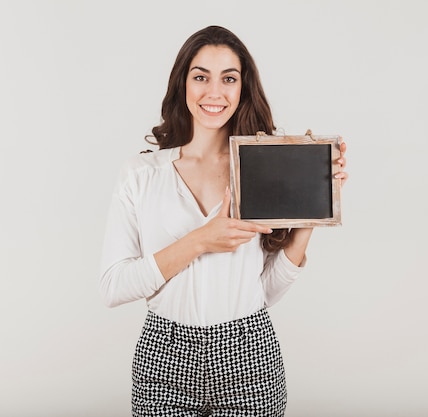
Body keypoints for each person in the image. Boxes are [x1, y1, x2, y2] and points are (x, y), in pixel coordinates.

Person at [99, 25, 348, 417]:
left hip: (249, 353)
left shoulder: (263, 169)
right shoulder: (142, 174)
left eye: (228, 79)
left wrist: (311, 208)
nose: (214, 92)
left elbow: (263, 292)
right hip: (165, 355)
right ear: (183, 83)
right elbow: (113, 287)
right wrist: (200, 240)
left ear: (242, 89)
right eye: (201, 77)